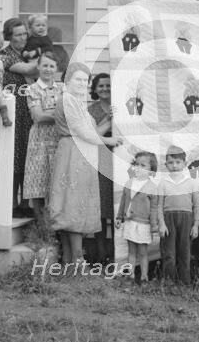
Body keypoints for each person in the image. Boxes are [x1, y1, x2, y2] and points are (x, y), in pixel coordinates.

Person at [47, 62, 121, 263]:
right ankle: (76, 260)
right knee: (72, 204)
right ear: (67, 80)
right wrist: (108, 141)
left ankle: (71, 261)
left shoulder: (78, 102)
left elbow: (93, 131)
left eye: (85, 80)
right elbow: (82, 132)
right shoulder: (67, 99)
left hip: (83, 154)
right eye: (77, 79)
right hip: (73, 152)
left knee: (78, 204)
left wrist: (109, 118)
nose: (82, 83)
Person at [0, 18, 37, 217]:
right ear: (8, 36)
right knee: (14, 157)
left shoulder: (25, 54)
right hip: (13, 111)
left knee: (27, 157)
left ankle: (25, 203)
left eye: (24, 34)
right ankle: (12, 204)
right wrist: (43, 58)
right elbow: (32, 70)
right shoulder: (6, 56)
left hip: (29, 110)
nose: (22, 38)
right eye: (18, 34)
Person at [22, 52, 62, 222]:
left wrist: (49, 113)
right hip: (39, 138)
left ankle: (55, 226)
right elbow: (38, 117)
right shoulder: (32, 89)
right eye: (45, 65)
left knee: (56, 179)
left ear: (56, 69)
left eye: (52, 66)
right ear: (38, 67)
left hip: (60, 138)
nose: (48, 69)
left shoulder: (63, 88)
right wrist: (60, 114)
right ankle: (41, 226)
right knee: (37, 179)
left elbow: (73, 113)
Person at [157, 145, 199, 285]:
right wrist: (162, 223)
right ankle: (169, 283)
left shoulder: (192, 183)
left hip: (186, 219)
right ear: (166, 165)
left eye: (178, 162)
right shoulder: (163, 183)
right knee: (169, 253)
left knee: (185, 252)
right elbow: (159, 206)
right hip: (169, 219)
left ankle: (185, 284)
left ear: (185, 164)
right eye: (171, 163)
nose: (174, 166)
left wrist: (196, 225)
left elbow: (198, 206)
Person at [115, 151, 159, 283]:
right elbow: (123, 201)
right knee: (131, 251)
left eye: (143, 165)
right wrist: (119, 217)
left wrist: (154, 227)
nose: (138, 167)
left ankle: (144, 277)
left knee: (143, 252)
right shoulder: (129, 183)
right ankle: (131, 275)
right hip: (129, 222)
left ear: (151, 170)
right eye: (137, 164)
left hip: (144, 224)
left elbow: (154, 208)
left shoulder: (152, 187)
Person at [88, 73, 115, 264]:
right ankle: (100, 253)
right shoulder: (91, 110)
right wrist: (108, 118)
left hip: (119, 160)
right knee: (101, 208)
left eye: (108, 85)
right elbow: (91, 135)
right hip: (100, 159)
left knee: (116, 208)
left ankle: (115, 252)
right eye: (101, 86)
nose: (105, 89)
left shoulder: (121, 107)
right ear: (95, 89)